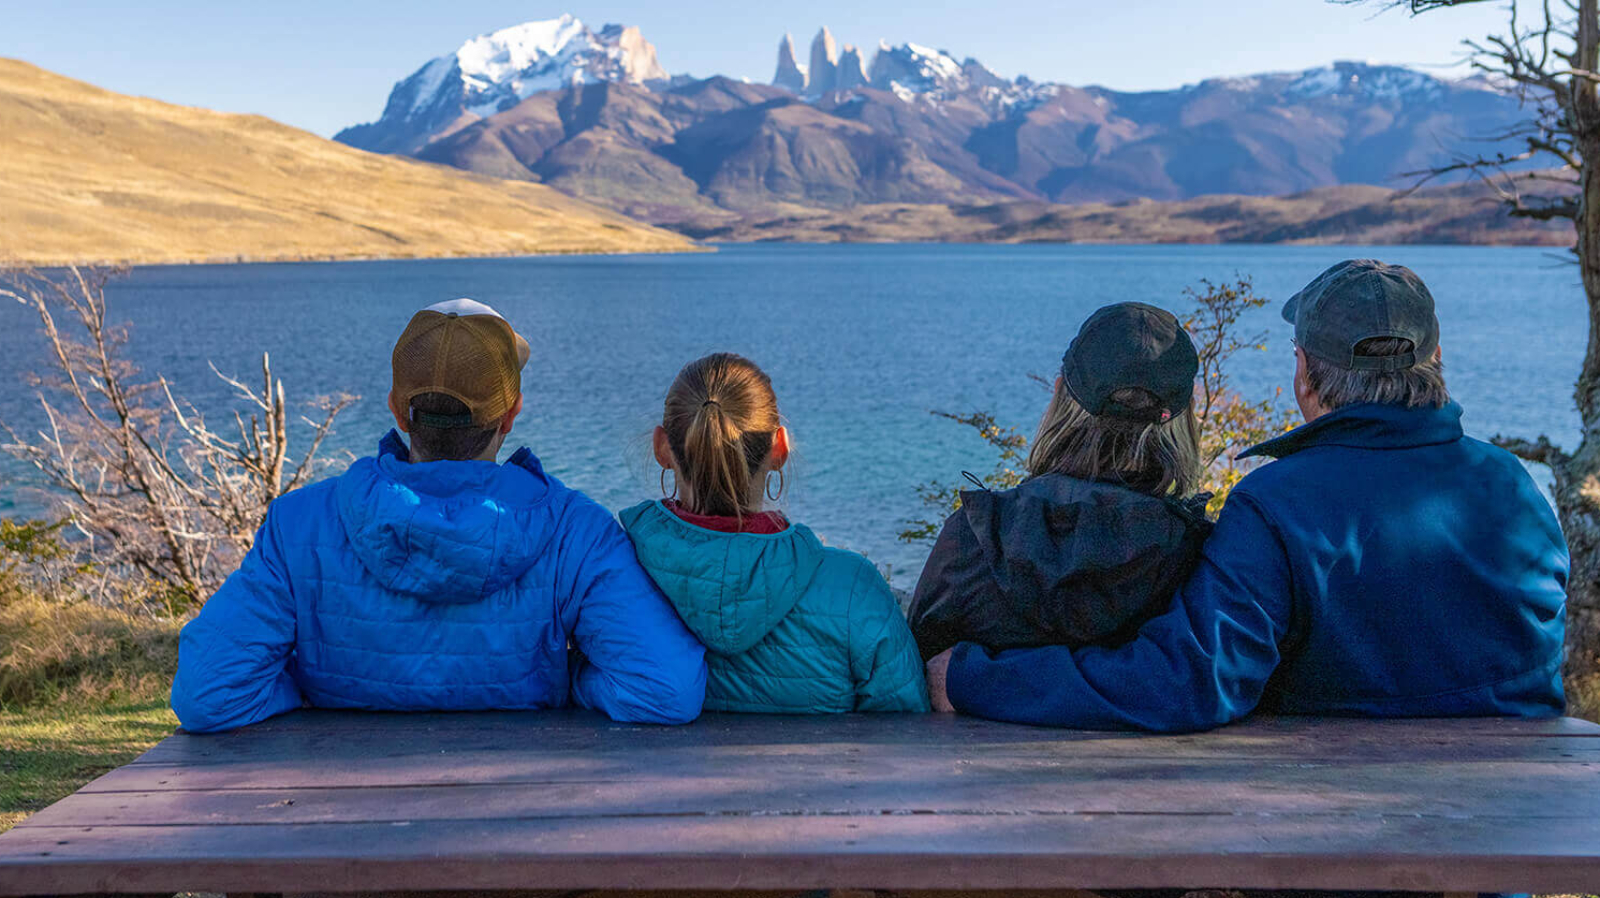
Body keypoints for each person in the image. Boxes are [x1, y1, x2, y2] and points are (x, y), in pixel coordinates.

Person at [925, 259, 1568, 898]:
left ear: (1303, 373)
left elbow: (1187, 684)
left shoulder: (1279, 504)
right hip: (1502, 856)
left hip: (1344, 866)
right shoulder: (1517, 489)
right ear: (1436, 358)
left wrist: (974, 677)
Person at [170, 298, 707, 732]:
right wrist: (569, 683)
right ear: (512, 413)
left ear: (399, 411)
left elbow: (207, 695)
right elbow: (665, 689)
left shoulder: (299, 525)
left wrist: (308, 688)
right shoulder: (575, 532)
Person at [618, 352, 928, 714]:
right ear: (779, 447)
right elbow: (907, 736)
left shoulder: (613, 572)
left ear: (661, 448)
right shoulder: (854, 589)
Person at [908, 302, 1211, 664]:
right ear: (1184, 424)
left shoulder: (972, 538)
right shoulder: (1202, 560)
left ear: (1058, 395)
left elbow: (915, 669)